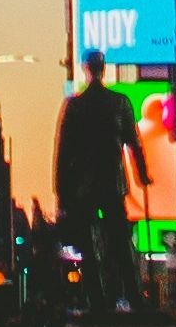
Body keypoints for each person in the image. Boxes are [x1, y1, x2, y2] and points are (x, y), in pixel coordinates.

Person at [54, 55, 145, 311]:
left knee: (91, 245)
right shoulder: (119, 102)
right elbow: (134, 144)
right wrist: (142, 174)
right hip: (108, 183)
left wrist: (62, 191)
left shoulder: (77, 106)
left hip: (85, 186)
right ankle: (133, 296)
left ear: (86, 69)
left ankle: (99, 299)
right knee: (120, 241)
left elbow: (64, 153)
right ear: (102, 69)